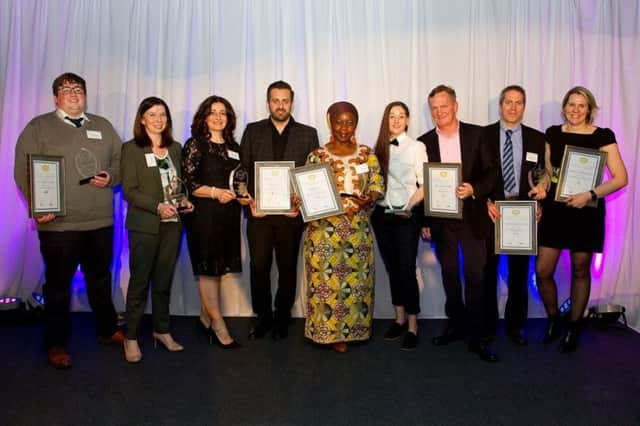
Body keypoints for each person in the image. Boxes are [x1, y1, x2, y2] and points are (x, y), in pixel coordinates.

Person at [14, 72, 124, 369]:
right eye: (66, 89)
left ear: (85, 95)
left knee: (100, 279)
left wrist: (112, 176)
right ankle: (56, 343)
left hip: (99, 221)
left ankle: (107, 329)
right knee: (59, 286)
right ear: (56, 97)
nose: (74, 94)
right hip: (59, 224)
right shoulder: (39, 127)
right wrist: (38, 206)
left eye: (78, 89)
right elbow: (24, 169)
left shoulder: (102, 126)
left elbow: (120, 161)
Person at [536, 86, 627, 352]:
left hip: (586, 211)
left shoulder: (603, 136)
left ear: (590, 109)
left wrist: (589, 194)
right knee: (542, 271)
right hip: (556, 210)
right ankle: (554, 318)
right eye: (571, 105)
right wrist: (542, 186)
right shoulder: (552, 133)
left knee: (580, 269)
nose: (575, 110)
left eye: (581, 105)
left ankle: (574, 325)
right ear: (564, 107)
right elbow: (549, 171)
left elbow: (621, 178)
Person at [417, 85, 500, 362]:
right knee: (450, 275)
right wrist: (425, 220)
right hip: (441, 220)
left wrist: (473, 189)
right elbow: (421, 185)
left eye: (444, 106)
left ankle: (477, 336)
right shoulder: (424, 142)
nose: (439, 112)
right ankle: (456, 325)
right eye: (434, 108)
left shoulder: (478, 134)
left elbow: (492, 173)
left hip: (473, 217)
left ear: (455, 106)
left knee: (475, 277)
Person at [240, 80, 319, 340]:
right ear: (268, 103)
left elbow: (312, 177)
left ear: (292, 102)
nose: (281, 105)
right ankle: (263, 317)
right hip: (259, 216)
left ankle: (282, 317)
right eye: (276, 100)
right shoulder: (252, 131)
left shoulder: (308, 134)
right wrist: (249, 201)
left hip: (291, 217)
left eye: (285, 100)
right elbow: (243, 171)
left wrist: (302, 207)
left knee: (287, 268)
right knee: (259, 265)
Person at [303, 101, 384, 353]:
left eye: (349, 122)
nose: (344, 127)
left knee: (356, 284)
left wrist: (367, 198)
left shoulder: (367, 154)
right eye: (339, 121)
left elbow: (377, 185)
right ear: (330, 122)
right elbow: (304, 189)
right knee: (326, 283)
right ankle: (328, 333)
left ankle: (356, 331)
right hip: (323, 232)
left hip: (357, 230)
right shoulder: (317, 155)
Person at [120, 97, 193, 363]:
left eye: (162, 114)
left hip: (173, 226)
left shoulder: (175, 148)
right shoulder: (131, 149)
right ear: (142, 119)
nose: (158, 119)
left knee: (163, 282)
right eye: (152, 114)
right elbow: (129, 191)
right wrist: (157, 206)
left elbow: (178, 184)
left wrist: (183, 200)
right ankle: (130, 337)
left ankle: (162, 331)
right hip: (145, 225)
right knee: (140, 283)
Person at [182, 95, 249, 349]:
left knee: (217, 269)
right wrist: (214, 192)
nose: (219, 117)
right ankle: (219, 326)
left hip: (228, 215)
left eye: (224, 112)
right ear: (204, 117)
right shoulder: (196, 145)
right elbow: (188, 183)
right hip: (204, 215)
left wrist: (244, 197)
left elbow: (239, 181)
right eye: (213, 112)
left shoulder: (234, 146)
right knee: (208, 270)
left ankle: (204, 318)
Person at [483, 85, 547, 346]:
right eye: (508, 102)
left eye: (518, 102)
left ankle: (515, 327)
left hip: (522, 213)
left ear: (524, 106)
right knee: (487, 273)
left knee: (519, 275)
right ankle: (487, 326)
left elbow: (543, 173)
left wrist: (541, 197)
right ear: (500, 106)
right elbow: (474, 174)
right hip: (493, 212)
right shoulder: (482, 136)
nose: (512, 107)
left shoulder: (537, 138)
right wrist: (484, 201)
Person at [371, 101, 427, 351]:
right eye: (391, 116)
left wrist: (409, 207)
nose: (395, 120)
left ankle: (413, 325)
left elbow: (425, 184)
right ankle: (399, 319)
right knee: (392, 268)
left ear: (407, 120)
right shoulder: (378, 148)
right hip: (383, 216)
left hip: (407, 216)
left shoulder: (416, 147)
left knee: (406, 269)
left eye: (401, 116)